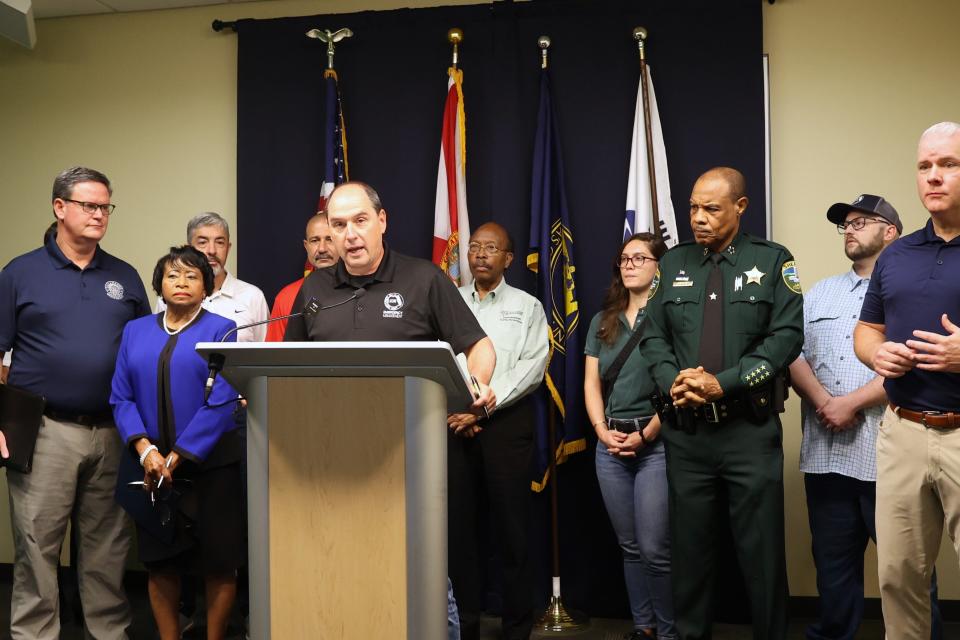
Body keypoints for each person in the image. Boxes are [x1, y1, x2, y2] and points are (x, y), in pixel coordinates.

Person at [284, 181, 496, 640]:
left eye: (360, 221)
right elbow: (289, 366)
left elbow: (477, 345)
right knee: (345, 570)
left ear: (382, 222)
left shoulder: (424, 279)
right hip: (333, 458)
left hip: (413, 453)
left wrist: (478, 381)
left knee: (424, 575)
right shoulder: (315, 288)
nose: (350, 235)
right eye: (338, 226)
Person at [639, 167, 803, 640]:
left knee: (763, 558)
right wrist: (676, 382)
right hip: (687, 435)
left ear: (740, 207)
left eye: (711, 208)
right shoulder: (673, 265)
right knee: (690, 559)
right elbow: (653, 337)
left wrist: (722, 384)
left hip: (748, 434)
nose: (698, 218)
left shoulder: (772, 261)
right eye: (693, 207)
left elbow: (786, 338)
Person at [0, 166, 150, 639]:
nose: (99, 214)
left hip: (112, 429)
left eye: (105, 206)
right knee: (37, 544)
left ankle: (108, 632)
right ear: (59, 207)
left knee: (108, 547)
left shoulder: (123, 275)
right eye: (89, 205)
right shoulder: (20, 273)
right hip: (44, 430)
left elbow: (142, 351)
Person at [790, 194, 945, 639]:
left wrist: (851, 403)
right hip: (826, 457)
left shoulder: (912, 290)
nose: (851, 229)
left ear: (891, 232)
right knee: (833, 569)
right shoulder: (821, 291)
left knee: (908, 569)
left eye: (862, 221)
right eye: (846, 224)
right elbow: (793, 353)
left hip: (889, 456)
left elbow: (915, 361)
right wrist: (825, 401)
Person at [854, 121, 960, 638]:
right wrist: (879, 355)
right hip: (901, 432)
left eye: (948, 164)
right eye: (925, 166)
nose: (934, 176)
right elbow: (866, 330)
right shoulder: (895, 255)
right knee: (898, 577)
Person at [112, 245, 243, 640]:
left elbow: (223, 398)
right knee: (160, 562)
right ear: (159, 284)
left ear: (206, 286)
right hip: (149, 467)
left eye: (192, 276)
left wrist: (177, 457)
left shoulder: (224, 329)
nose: (181, 283)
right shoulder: (135, 331)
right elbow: (121, 396)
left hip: (211, 467)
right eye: (173, 275)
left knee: (219, 563)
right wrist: (147, 451)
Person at [446, 222, 548, 640]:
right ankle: (463, 626)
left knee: (512, 534)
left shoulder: (527, 307)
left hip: (506, 427)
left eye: (491, 248)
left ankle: (516, 628)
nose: (480, 254)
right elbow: (436, 356)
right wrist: (459, 411)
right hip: (455, 429)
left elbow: (533, 368)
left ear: (508, 258)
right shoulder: (448, 301)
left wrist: (482, 408)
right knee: (460, 536)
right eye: (474, 247)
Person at [584, 232, 673, 640]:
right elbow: (590, 385)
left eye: (640, 257)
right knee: (630, 547)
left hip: (655, 443)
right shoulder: (603, 321)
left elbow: (678, 386)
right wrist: (603, 432)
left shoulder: (672, 316)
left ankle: (669, 631)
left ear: (660, 266)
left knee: (655, 549)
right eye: (624, 258)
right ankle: (645, 628)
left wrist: (649, 431)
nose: (630, 264)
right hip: (611, 446)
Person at [158, 212, 268, 343]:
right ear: (188, 249)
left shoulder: (253, 296)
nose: (212, 250)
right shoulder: (173, 295)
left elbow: (264, 355)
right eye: (203, 242)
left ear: (228, 248)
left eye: (220, 242)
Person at [265, 212, 340, 342]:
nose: (322, 248)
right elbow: (275, 357)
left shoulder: (360, 291)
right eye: (315, 240)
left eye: (330, 239)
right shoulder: (286, 297)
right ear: (306, 246)